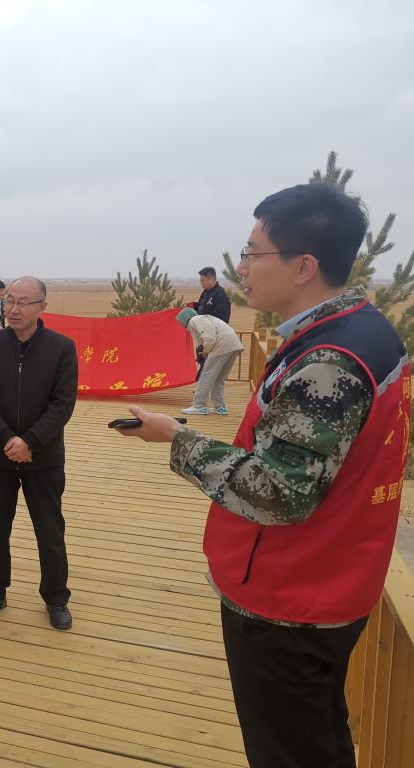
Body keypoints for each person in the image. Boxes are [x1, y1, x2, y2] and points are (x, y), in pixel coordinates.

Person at [118, 183, 407, 768]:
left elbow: (280, 492)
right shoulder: (366, 329)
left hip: (290, 598)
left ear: (304, 266)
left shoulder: (327, 361)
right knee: (317, 741)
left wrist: (176, 438)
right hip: (334, 577)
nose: (242, 267)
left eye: (253, 252)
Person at [0, 277, 78, 630]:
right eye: (10, 301)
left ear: (42, 306)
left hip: (43, 457)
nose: (14, 309)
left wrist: (30, 441)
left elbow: (63, 404)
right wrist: (7, 439)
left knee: (50, 531)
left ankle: (56, 598)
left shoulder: (61, 348)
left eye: (23, 302)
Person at [175, 307, 243, 416]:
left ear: (184, 319)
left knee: (206, 376)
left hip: (220, 346)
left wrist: (205, 351)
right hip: (233, 345)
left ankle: (199, 406)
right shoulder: (204, 319)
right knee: (218, 379)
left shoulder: (195, 320)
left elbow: (210, 338)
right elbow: (205, 337)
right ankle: (220, 407)